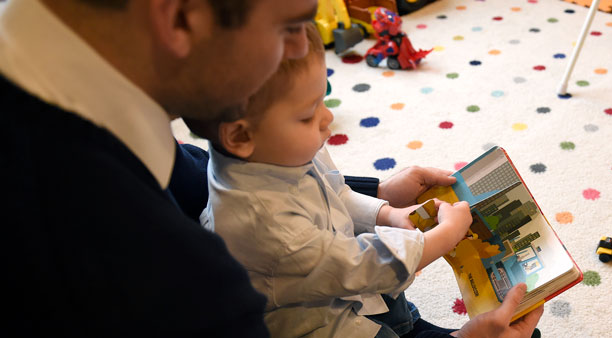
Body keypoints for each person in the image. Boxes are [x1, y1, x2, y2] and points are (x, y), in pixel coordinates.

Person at [1, 0, 541, 337]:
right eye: (288, 25)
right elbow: (313, 248)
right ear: (181, 16)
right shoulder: (158, 276)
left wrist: (381, 197)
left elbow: (273, 183)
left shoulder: (121, 129)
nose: (296, 49)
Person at [184, 23, 541, 338]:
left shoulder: (274, 153)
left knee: (393, 299)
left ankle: (407, 327)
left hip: (346, 290)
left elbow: (335, 191)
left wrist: (387, 215)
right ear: (240, 135)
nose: (327, 119)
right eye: (308, 114)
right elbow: (366, 265)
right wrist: (446, 236)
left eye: (322, 99)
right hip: (323, 325)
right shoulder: (263, 221)